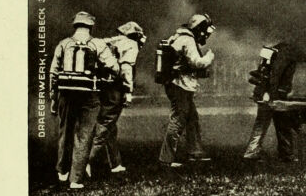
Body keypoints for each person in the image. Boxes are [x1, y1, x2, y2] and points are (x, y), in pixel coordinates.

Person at [49, 10, 121, 189]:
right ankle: (76, 179)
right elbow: (114, 67)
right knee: (84, 135)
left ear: (75, 25)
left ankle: (62, 172)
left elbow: (53, 73)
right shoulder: (97, 44)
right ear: (91, 26)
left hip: (65, 93)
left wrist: (53, 97)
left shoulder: (64, 44)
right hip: (89, 95)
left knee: (65, 131)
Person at [158, 12, 216, 168]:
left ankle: (195, 152)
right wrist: (209, 58)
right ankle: (166, 159)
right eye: (205, 31)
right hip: (181, 85)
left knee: (192, 118)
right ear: (200, 29)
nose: (205, 35)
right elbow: (196, 63)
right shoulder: (188, 40)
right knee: (178, 120)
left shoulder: (177, 37)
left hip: (176, 84)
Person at [89, 21, 146, 176]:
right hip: (116, 88)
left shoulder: (108, 41)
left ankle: (115, 163)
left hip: (102, 87)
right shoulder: (131, 45)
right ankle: (85, 160)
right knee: (107, 123)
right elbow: (126, 68)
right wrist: (128, 91)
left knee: (111, 126)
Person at [243, 40, 304, 163]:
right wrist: (270, 94)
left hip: (272, 93)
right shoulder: (287, 53)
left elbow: (266, 73)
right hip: (272, 94)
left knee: (281, 123)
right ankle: (252, 152)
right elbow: (275, 75)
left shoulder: (276, 51)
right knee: (264, 122)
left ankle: (286, 153)